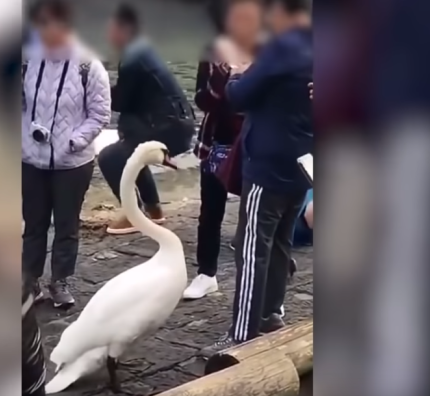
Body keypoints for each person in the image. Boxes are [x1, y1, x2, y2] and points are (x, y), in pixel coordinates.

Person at [201, 0, 313, 354]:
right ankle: (270, 314)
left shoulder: (281, 49)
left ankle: (240, 334)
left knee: (251, 248)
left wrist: (237, 71)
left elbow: (237, 96)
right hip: (301, 164)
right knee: (280, 242)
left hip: (268, 165)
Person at [22, 0, 111, 308]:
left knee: (66, 224)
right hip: (32, 159)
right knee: (32, 224)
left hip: (72, 162)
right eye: (42, 24)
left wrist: (74, 141)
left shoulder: (88, 65)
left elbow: (100, 114)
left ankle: (60, 280)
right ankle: (29, 281)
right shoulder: (28, 62)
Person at [184, 0, 264, 300]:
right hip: (217, 142)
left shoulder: (269, 52)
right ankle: (206, 273)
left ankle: (268, 271)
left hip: (255, 142)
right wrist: (223, 76)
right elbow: (202, 100)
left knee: (257, 211)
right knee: (210, 210)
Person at [99, 3, 196, 235]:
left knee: (110, 157)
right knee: (130, 148)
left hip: (169, 127)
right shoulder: (141, 50)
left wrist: (97, 86)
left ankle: (134, 214)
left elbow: (121, 102)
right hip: (177, 123)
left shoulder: (133, 57)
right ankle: (154, 212)